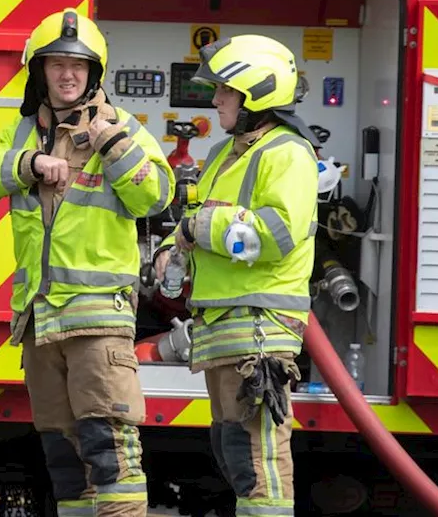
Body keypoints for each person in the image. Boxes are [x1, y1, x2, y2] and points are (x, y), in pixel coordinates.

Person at [0, 8, 174, 517]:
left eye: (79, 65)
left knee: (110, 450)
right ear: (40, 71)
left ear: (94, 73)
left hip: (98, 322)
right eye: (57, 63)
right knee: (62, 456)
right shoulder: (21, 134)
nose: (68, 74)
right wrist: (27, 165)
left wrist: (112, 144)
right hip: (40, 321)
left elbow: (157, 195)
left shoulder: (121, 128)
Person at [153, 35, 320, 517]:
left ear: (257, 94)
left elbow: (276, 233)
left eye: (226, 90)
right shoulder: (226, 155)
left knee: (259, 458)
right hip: (226, 333)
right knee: (236, 454)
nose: (216, 99)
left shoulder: (287, 153)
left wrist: (196, 229)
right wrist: (169, 250)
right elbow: (192, 218)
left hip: (260, 333)